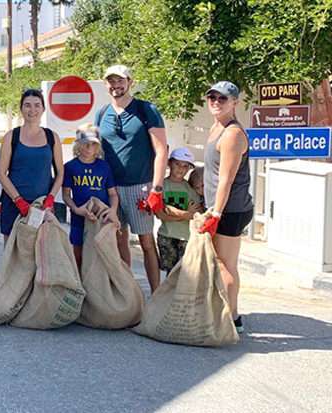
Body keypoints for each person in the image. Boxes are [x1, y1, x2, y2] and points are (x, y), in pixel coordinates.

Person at [95, 65, 168, 292]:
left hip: (140, 186)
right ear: (105, 84)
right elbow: (96, 149)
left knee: (146, 242)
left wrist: (156, 188)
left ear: (130, 82)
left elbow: (161, 150)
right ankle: (126, 293)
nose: (116, 86)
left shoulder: (146, 110)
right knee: (118, 240)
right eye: (111, 81)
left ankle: (155, 294)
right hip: (111, 188)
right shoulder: (102, 113)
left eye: (120, 81)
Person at [200, 81, 253, 334]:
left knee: (225, 264)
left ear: (235, 103)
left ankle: (232, 318)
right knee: (220, 262)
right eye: (212, 98)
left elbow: (226, 179)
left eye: (222, 99)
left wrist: (216, 213)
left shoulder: (232, 134)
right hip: (218, 207)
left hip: (231, 210)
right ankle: (227, 313)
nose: (216, 102)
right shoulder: (216, 127)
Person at [0, 89, 64, 243]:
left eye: (37, 105)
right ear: (21, 109)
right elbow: (0, 173)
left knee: (40, 256)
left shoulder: (51, 137)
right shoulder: (11, 136)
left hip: (41, 206)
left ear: (43, 109)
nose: (32, 110)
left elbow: (60, 173)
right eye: (27, 105)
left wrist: (50, 199)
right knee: (12, 257)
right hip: (14, 205)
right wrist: (18, 200)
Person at [62, 124, 119, 269]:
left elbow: (112, 193)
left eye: (93, 145)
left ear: (98, 147)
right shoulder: (70, 167)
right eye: (85, 144)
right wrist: (75, 209)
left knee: (101, 254)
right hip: (79, 216)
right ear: (78, 145)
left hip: (101, 217)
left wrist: (113, 210)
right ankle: (80, 286)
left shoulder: (104, 166)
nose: (88, 148)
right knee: (78, 254)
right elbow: (66, 194)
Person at [155, 147, 201, 276]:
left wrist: (177, 214)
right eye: (177, 164)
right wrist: (185, 214)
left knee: (184, 273)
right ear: (169, 163)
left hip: (186, 237)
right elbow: (162, 212)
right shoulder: (162, 185)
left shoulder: (189, 189)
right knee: (170, 273)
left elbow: (195, 213)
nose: (181, 169)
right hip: (167, 235)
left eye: (185, 166)